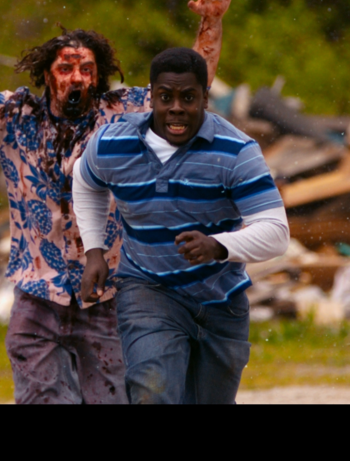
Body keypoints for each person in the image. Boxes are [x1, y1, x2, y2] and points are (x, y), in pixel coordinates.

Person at [0, 0, 242, 404]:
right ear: (46, 75)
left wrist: (212, 21)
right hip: (38, 293)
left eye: (87, 70)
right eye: (65, 69)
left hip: (109, 295)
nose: (77, 78)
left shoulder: (123, 116)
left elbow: (191, 86)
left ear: (99, 76)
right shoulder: (14, 116)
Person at [72, 47, 289, 404]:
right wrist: (94, 250)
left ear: (205, 98)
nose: (176, 108)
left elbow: (276, 232)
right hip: (148, 289)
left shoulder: (235, 151)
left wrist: (218, 246)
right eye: (165, 97)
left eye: (188, 98)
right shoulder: (113, 144)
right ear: (151, 97)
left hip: (220, 299)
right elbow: (85, 181)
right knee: (151, 392)